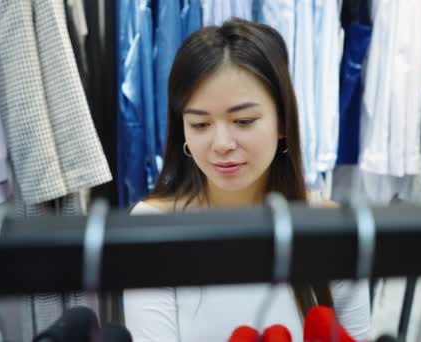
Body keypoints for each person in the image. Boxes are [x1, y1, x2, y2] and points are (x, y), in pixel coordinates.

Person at [123, 19, 371, 341]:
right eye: (200, 125)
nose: (222, 143)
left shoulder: (332, 231)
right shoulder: (151, 231)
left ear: (282, 122)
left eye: (243, 121)